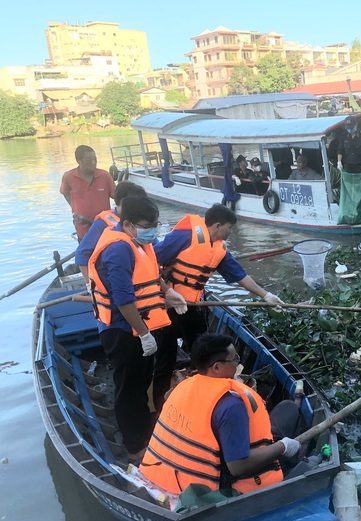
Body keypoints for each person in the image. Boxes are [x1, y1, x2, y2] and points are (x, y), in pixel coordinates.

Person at [152, 204, 284, 412]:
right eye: (229, 228)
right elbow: (150, 261)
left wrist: (265, 295)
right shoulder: (185, 236)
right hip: (168, 306)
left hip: (193, 306)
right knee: (165, 359)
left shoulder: (219, 248)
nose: (230, 233)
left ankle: (203, 400)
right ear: (217, 225)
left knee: (204, 354)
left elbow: (239, 275)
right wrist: (167, 291)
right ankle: (161, 408)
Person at [87, 196, 188, 463]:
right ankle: (135, 447)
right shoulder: (118, 249)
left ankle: (145, 432)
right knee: (129, 388)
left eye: (155, 225)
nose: (153, 231)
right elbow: (123, 299)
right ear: (129, 224)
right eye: (147, 225)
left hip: (140, 326)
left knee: (142, 381)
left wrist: (168, 293)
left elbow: (151, 276)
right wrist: (143, 333)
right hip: (122, 330)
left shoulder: (140, 243)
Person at [140, 333, 301, 495]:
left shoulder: (181, 387)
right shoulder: (231, 405)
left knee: (287, 410)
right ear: (216, 367)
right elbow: (237, 466)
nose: (237, 364)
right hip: (211, 490)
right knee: (288, 415)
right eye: (234, 360)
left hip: (161, 474)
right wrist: (282, 447)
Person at [75, 181, 148, 281]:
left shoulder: (139, 220)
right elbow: (82, 254)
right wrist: (90, 284)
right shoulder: (102, 224)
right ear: (122, 203)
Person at [60, 145, 116, 241]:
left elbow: (117, 197)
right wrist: (75, 208)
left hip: (104, 226)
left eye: (95, 159)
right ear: (79, 161)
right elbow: (65, 193)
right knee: (86, 253)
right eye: (88, 160)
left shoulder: (104, 176)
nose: (93, 163)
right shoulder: (69, 177)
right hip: (83, 227)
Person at [336, 116, 361, 225]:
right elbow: (340, 150)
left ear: (356, 125)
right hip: (348, 167)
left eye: (351, 127)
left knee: (360, 192)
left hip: (359, 167)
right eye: (348, 127)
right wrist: (339, 162)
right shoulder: (344, 136)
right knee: (348, 192)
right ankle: (348, 214)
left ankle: (360, 215)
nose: (349, 130)